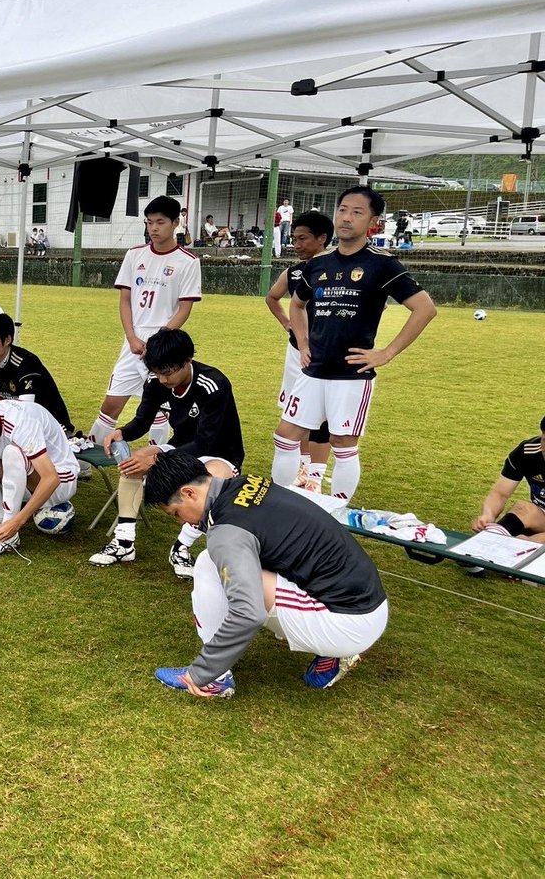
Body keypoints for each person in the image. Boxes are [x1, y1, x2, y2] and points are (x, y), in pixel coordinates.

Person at [145, 451, 389, 699]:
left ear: (189, 493)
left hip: (351, 620)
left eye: (176, 513)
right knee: (230, 563)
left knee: (209, 563)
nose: (181, 522)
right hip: (368, 601)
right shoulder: (247, 482)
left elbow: (247, 612)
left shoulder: (226, 532)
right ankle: (331, 652)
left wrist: (201, 671)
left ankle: (215, 679)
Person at [273, 186, 437, 505]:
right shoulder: (318, 264)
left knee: (343, 443)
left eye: (357, 212)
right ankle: (282, 507)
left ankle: (338, 513)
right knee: (285, 436)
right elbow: (295, 304)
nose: (347, 218)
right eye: (343, 210)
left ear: (373, 222)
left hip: (351, 375)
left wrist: (386, 353)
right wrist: (303, 344)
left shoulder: (383, 264)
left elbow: (425, 308)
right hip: (313, 370)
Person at [90, 328, 243, 577]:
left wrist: (157, 460)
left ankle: (181, 548)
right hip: (180, 444)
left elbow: (204, 443)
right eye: (157, 372)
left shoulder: (213, 385)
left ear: (187, 361)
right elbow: (142, 420)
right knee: (133, 463)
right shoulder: (156, 380)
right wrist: (123, 433)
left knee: (212, 479)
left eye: (168, 373)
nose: (162, 380)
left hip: (220, 453)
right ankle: (124, 541)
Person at [89, 195, 200, 448]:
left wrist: (159, 341)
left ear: (175, 222)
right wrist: (131, 337)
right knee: (111, 404)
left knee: (161, 408)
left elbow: (184, 308)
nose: (153, 229)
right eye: (149, 223)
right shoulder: (134, 255)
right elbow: (125, 299)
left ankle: (155, 462)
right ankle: (89, 456)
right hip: (133, 341)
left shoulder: (188, 261)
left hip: (162, 343)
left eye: (160, 222)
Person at [264, 211, 335, 493]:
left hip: (328, 358)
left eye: (302, 238)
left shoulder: (337, 270)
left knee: (324, 416)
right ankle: (305, 465)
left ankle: (316, 473)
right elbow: (272, 297)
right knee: (296, 413)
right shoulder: (293, 272)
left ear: (322, 238)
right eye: (294, 238)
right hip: (297, 354)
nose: (297, 244)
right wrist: (287, 323)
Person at [0, 400, 80, 558]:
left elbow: (51, 479)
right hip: (28, 480)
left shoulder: (22, 422)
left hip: (60, 483)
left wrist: (17, 522)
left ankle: (9, 535)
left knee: (12, 452)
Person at [0, 311, 75, 436]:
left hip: (55, 429)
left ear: (7, 340)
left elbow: (25, 411)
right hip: (22, 423)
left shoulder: (26, 364)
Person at [471, 415, 545, 542]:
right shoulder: (526, 452)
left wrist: (534, 540)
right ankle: (484, 543)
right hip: (541, 516)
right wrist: (488, 514)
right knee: (523, 508)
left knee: (530, 541)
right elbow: (500, 493)